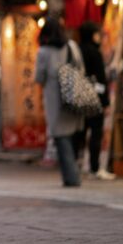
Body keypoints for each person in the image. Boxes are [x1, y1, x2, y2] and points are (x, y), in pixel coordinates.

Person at [34, 16, 84, 187]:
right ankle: (73, 173)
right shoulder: (72, 46)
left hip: (55, 100)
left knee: (62, 138)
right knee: (72, 135)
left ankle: (71, 177)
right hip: (74, 96)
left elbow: (39, 77)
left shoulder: (43, 51)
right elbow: (81, 69)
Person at [78, 21, 115, 180]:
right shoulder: (94, 52)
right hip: (95, 98)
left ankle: (77, 164)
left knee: (80, 131)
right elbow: (100, 79)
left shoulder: (76, 51)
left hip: (80, 97)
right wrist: (105, 102)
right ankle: (95, 167)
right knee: (96, 133)